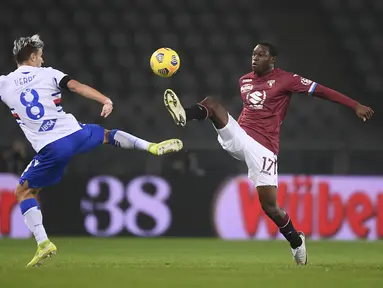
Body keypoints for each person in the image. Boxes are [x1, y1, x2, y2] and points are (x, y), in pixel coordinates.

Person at [164, 42, 374, 266]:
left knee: (269, 207)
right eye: (253, 54)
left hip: (263, 148)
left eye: (261, 54)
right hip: (240, 136)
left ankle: (295, 240)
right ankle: (185, 115)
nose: (255, 58)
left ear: (272, 60)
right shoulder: (244, 80)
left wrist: (355, 105)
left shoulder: (287, 79)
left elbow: (322, 90)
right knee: (212, 104)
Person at [0, 34, 183, 267]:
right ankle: (151, 147)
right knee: (107, 135)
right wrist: (105, 100)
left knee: (23, 192)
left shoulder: (3, 83)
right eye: (41, 55)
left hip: (50, 147)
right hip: (74, 133)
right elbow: (76, 86)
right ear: (33, 56)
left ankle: (43, 242)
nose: (43, 59)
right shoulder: (50, 73)